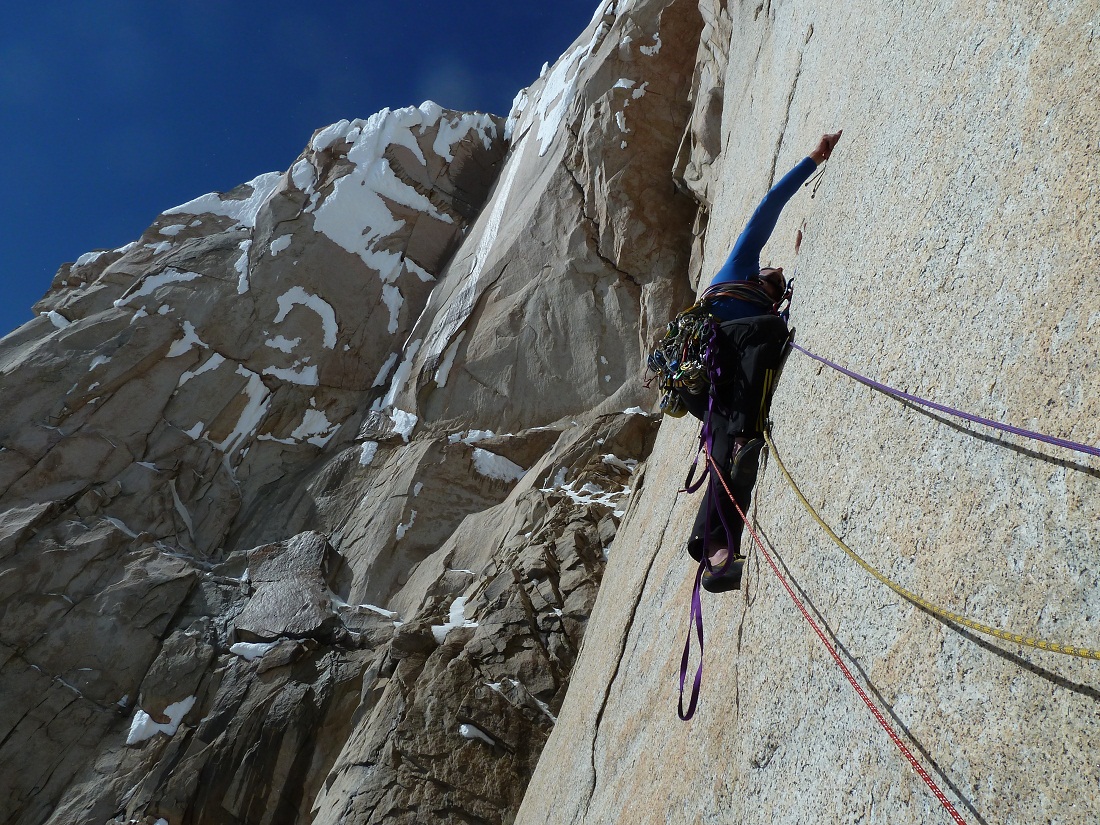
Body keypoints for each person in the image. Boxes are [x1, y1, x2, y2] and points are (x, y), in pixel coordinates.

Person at [682, 131, 842, 592]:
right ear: (762, 272)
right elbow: (769, 207)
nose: (780, 280)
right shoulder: (738, 271)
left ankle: (717, 555)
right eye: (778, 276)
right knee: (766, 343)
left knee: (726, 459)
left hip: (712, 385)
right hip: (724, 355)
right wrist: (814, 158)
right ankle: (741, 450)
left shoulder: (764, 306)